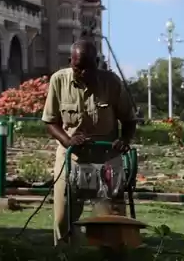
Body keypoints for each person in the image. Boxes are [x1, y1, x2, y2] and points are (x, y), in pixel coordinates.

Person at [41, 38, 136, 245]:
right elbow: (50, 122)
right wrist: (68, 140)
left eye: (88, 68)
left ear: (98, 63)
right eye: (78, 68)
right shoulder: (59, 81)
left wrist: (124, 140)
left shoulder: (111, 83)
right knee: (63, 219)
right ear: (70, 62)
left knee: (111, 220)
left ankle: (109, 256)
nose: (83, 73)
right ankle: (65, 254)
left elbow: (129, 120)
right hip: (71, 157)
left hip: (107, 160)